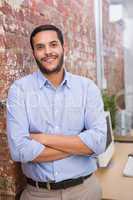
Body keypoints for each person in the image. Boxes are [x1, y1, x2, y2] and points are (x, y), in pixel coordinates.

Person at [7, 24, 107, 200]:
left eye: (53, 44)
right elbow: (19, 150)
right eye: (40, 47)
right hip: (38, 194)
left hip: (85, 192)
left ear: (63, 47)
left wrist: (44, 139)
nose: (47, 51)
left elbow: (98, 143)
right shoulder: (19, 90)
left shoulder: (87, 88)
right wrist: (80, 145)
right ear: (34, 53)